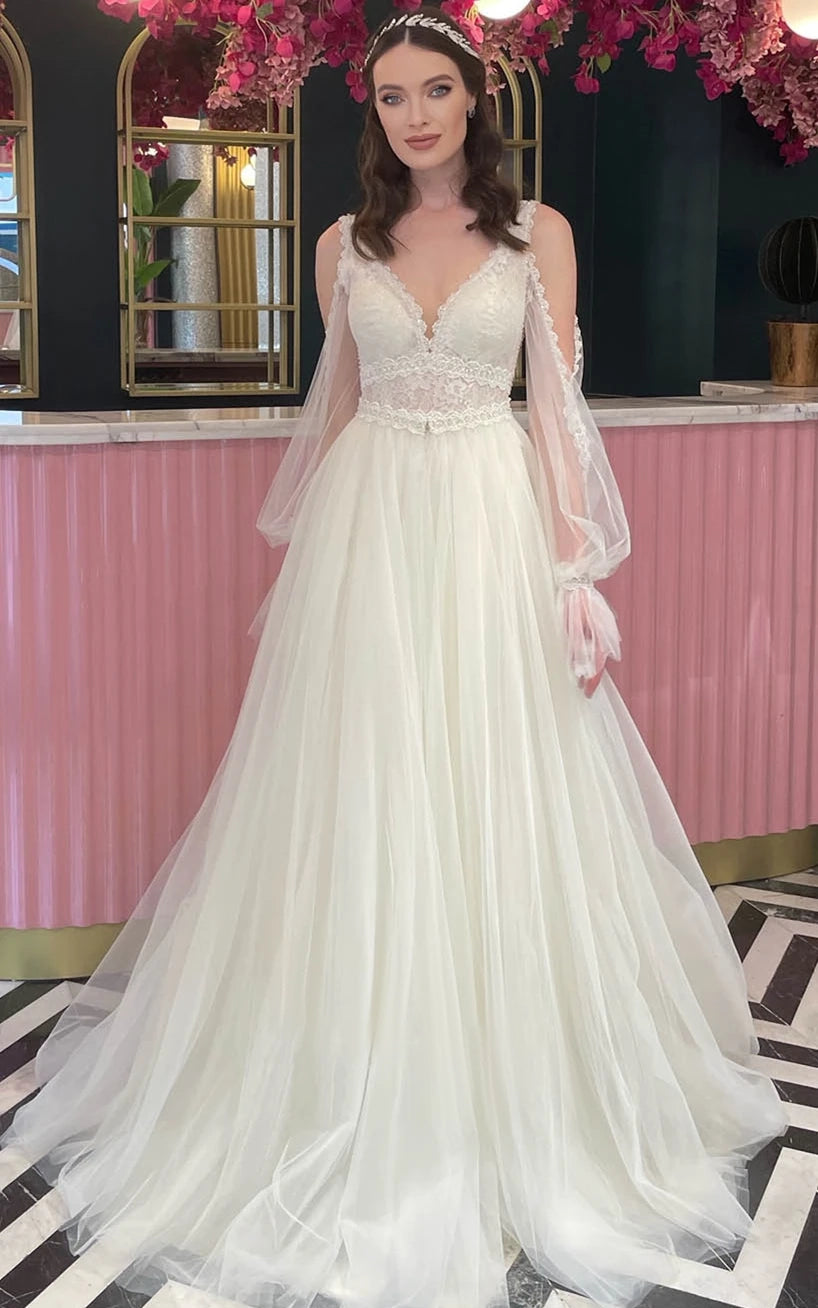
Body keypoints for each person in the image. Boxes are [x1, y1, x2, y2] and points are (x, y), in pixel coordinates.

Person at [0, 7, 788, 1308]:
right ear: (372, 114)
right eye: (391, 95)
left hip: (486, 523)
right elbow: (339, 411)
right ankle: (334, 1069)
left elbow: (554, 411)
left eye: (435, 90)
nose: (415, 114)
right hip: (367, 536)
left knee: (494, 779)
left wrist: (577, 572)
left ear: (474, 99)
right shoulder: (339, 244)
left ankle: (513, 1082)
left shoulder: (537, 237)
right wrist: (311, 565)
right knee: (357, 789)